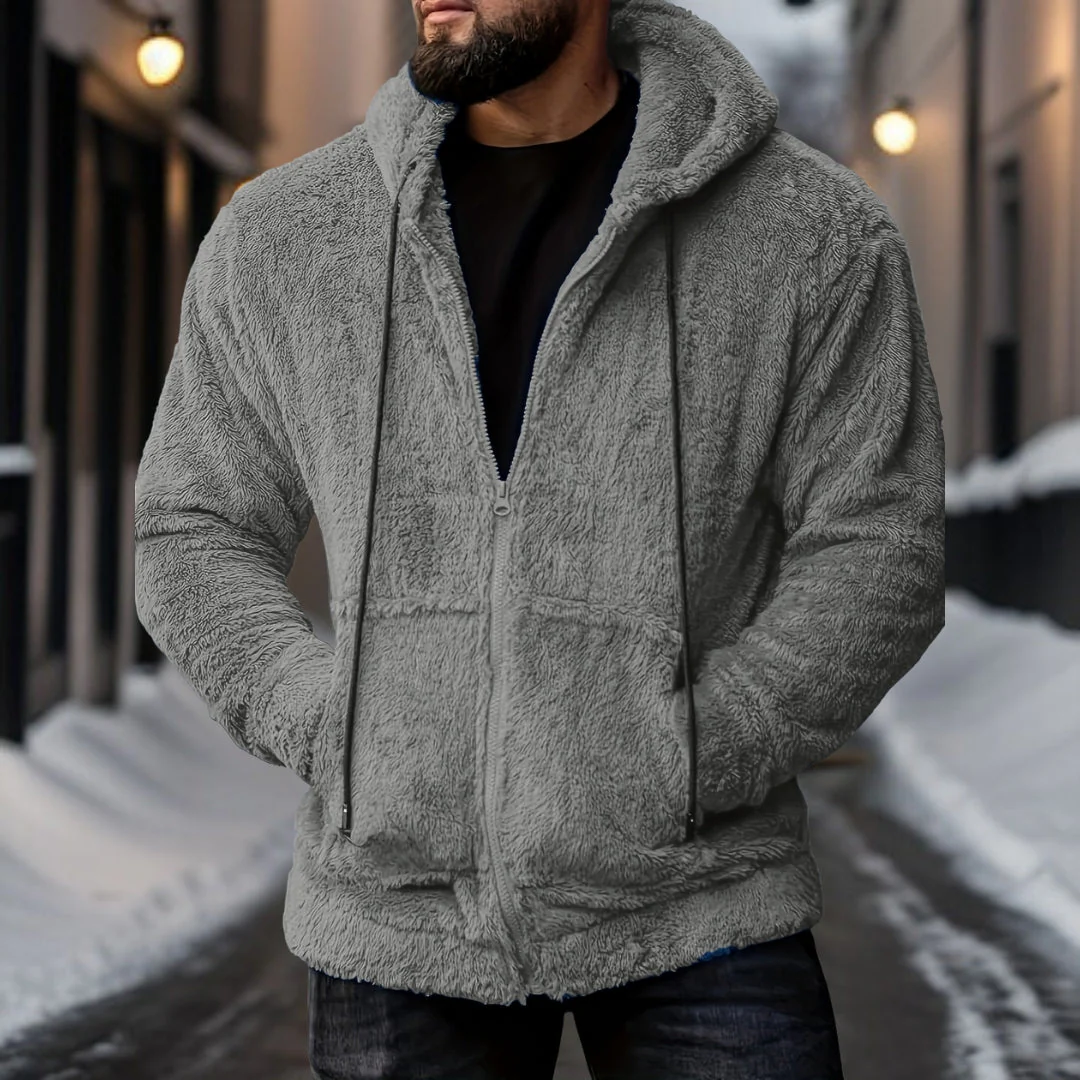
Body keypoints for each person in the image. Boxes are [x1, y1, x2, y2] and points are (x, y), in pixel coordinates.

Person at [133, 0, 946, 1075]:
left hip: (704, 902)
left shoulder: (806, 232)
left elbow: (879, 543)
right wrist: (331, 725)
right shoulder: (289, 236)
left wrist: (700, 749)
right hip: (399, 920)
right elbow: (193, 527)